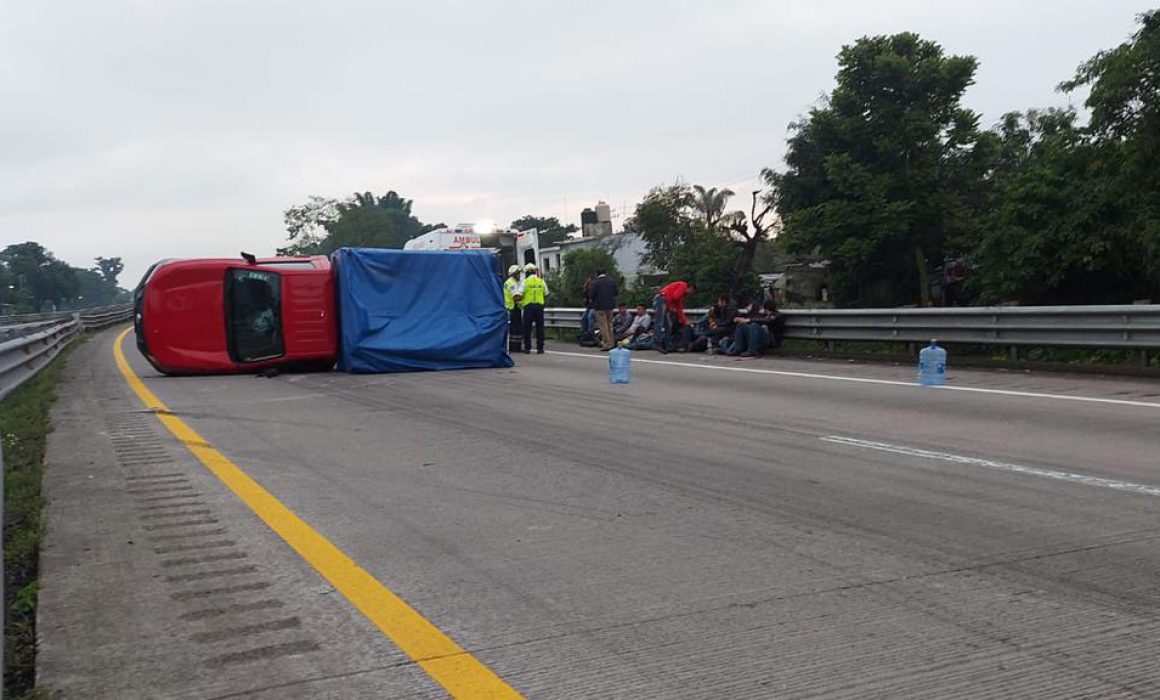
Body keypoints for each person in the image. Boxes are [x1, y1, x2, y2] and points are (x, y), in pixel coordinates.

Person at [651, 280, 695, 354]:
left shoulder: (679, 298)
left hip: (666, 303)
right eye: (691, 291)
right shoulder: (683, 285)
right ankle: (656, 343)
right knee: (659, 322)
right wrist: (672, 307)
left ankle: (669, 345)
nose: (690, 293)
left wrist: (685, 322)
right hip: (661, 299)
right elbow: (675, 297)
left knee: (668, 325)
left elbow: (679, 309)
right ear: (690, 288)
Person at [520, 263, 548, 354]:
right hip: (539, 307)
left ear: (527, 272)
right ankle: (540, 348)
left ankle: (527, 348)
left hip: (528, 307)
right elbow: (546, 293)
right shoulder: (541, 281)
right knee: (540, 328)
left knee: (527, 328)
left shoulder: (525, 282)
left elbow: (519, 294)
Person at [588, 269, 618, 351]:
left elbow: (591, 295)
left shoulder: (595, 283)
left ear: (597, 274)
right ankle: (612, 342)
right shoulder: (611, 281)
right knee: (610, 324)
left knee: (603, 325)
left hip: (600, 307)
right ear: (605, 273)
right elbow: (616, 292)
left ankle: (607, 344)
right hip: (610, 306)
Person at [503, 265, 524, 351]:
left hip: (514, 308)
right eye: (518, 273)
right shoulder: (511, 283)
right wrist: (526, 299)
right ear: (513, 274)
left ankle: (515, 346)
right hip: (512, 308)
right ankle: (515, 347)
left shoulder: (514, 282)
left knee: (516, 328)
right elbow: (516, 297)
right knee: (515, 328)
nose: (519, 275)